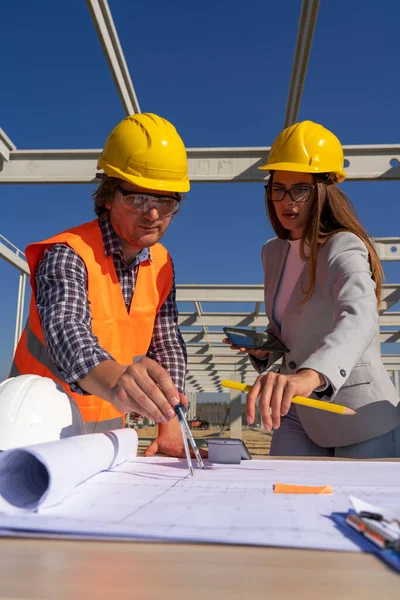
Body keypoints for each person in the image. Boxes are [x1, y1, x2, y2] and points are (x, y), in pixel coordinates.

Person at [10, 112, 193, 458]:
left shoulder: (162, 264)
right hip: (36, 431)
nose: (152, 214)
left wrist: (169, 424)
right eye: (138, 198)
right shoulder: (67, 254)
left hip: (104, 440)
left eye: (165, 201)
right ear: (108, 196)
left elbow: (166, 344)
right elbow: (67, 331)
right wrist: (119, 381)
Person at [225, 120, 400, 458]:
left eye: (300, 189)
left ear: (323, 190)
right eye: (278, 189)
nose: (286, 201)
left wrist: (309, 376)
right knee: (285, 502)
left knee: (356, 509)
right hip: (297, 413)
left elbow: (359, 318)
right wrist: (265, 349)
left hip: (358, 415)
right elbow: (287, 329)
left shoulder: (344, 246)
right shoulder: (272, 253)